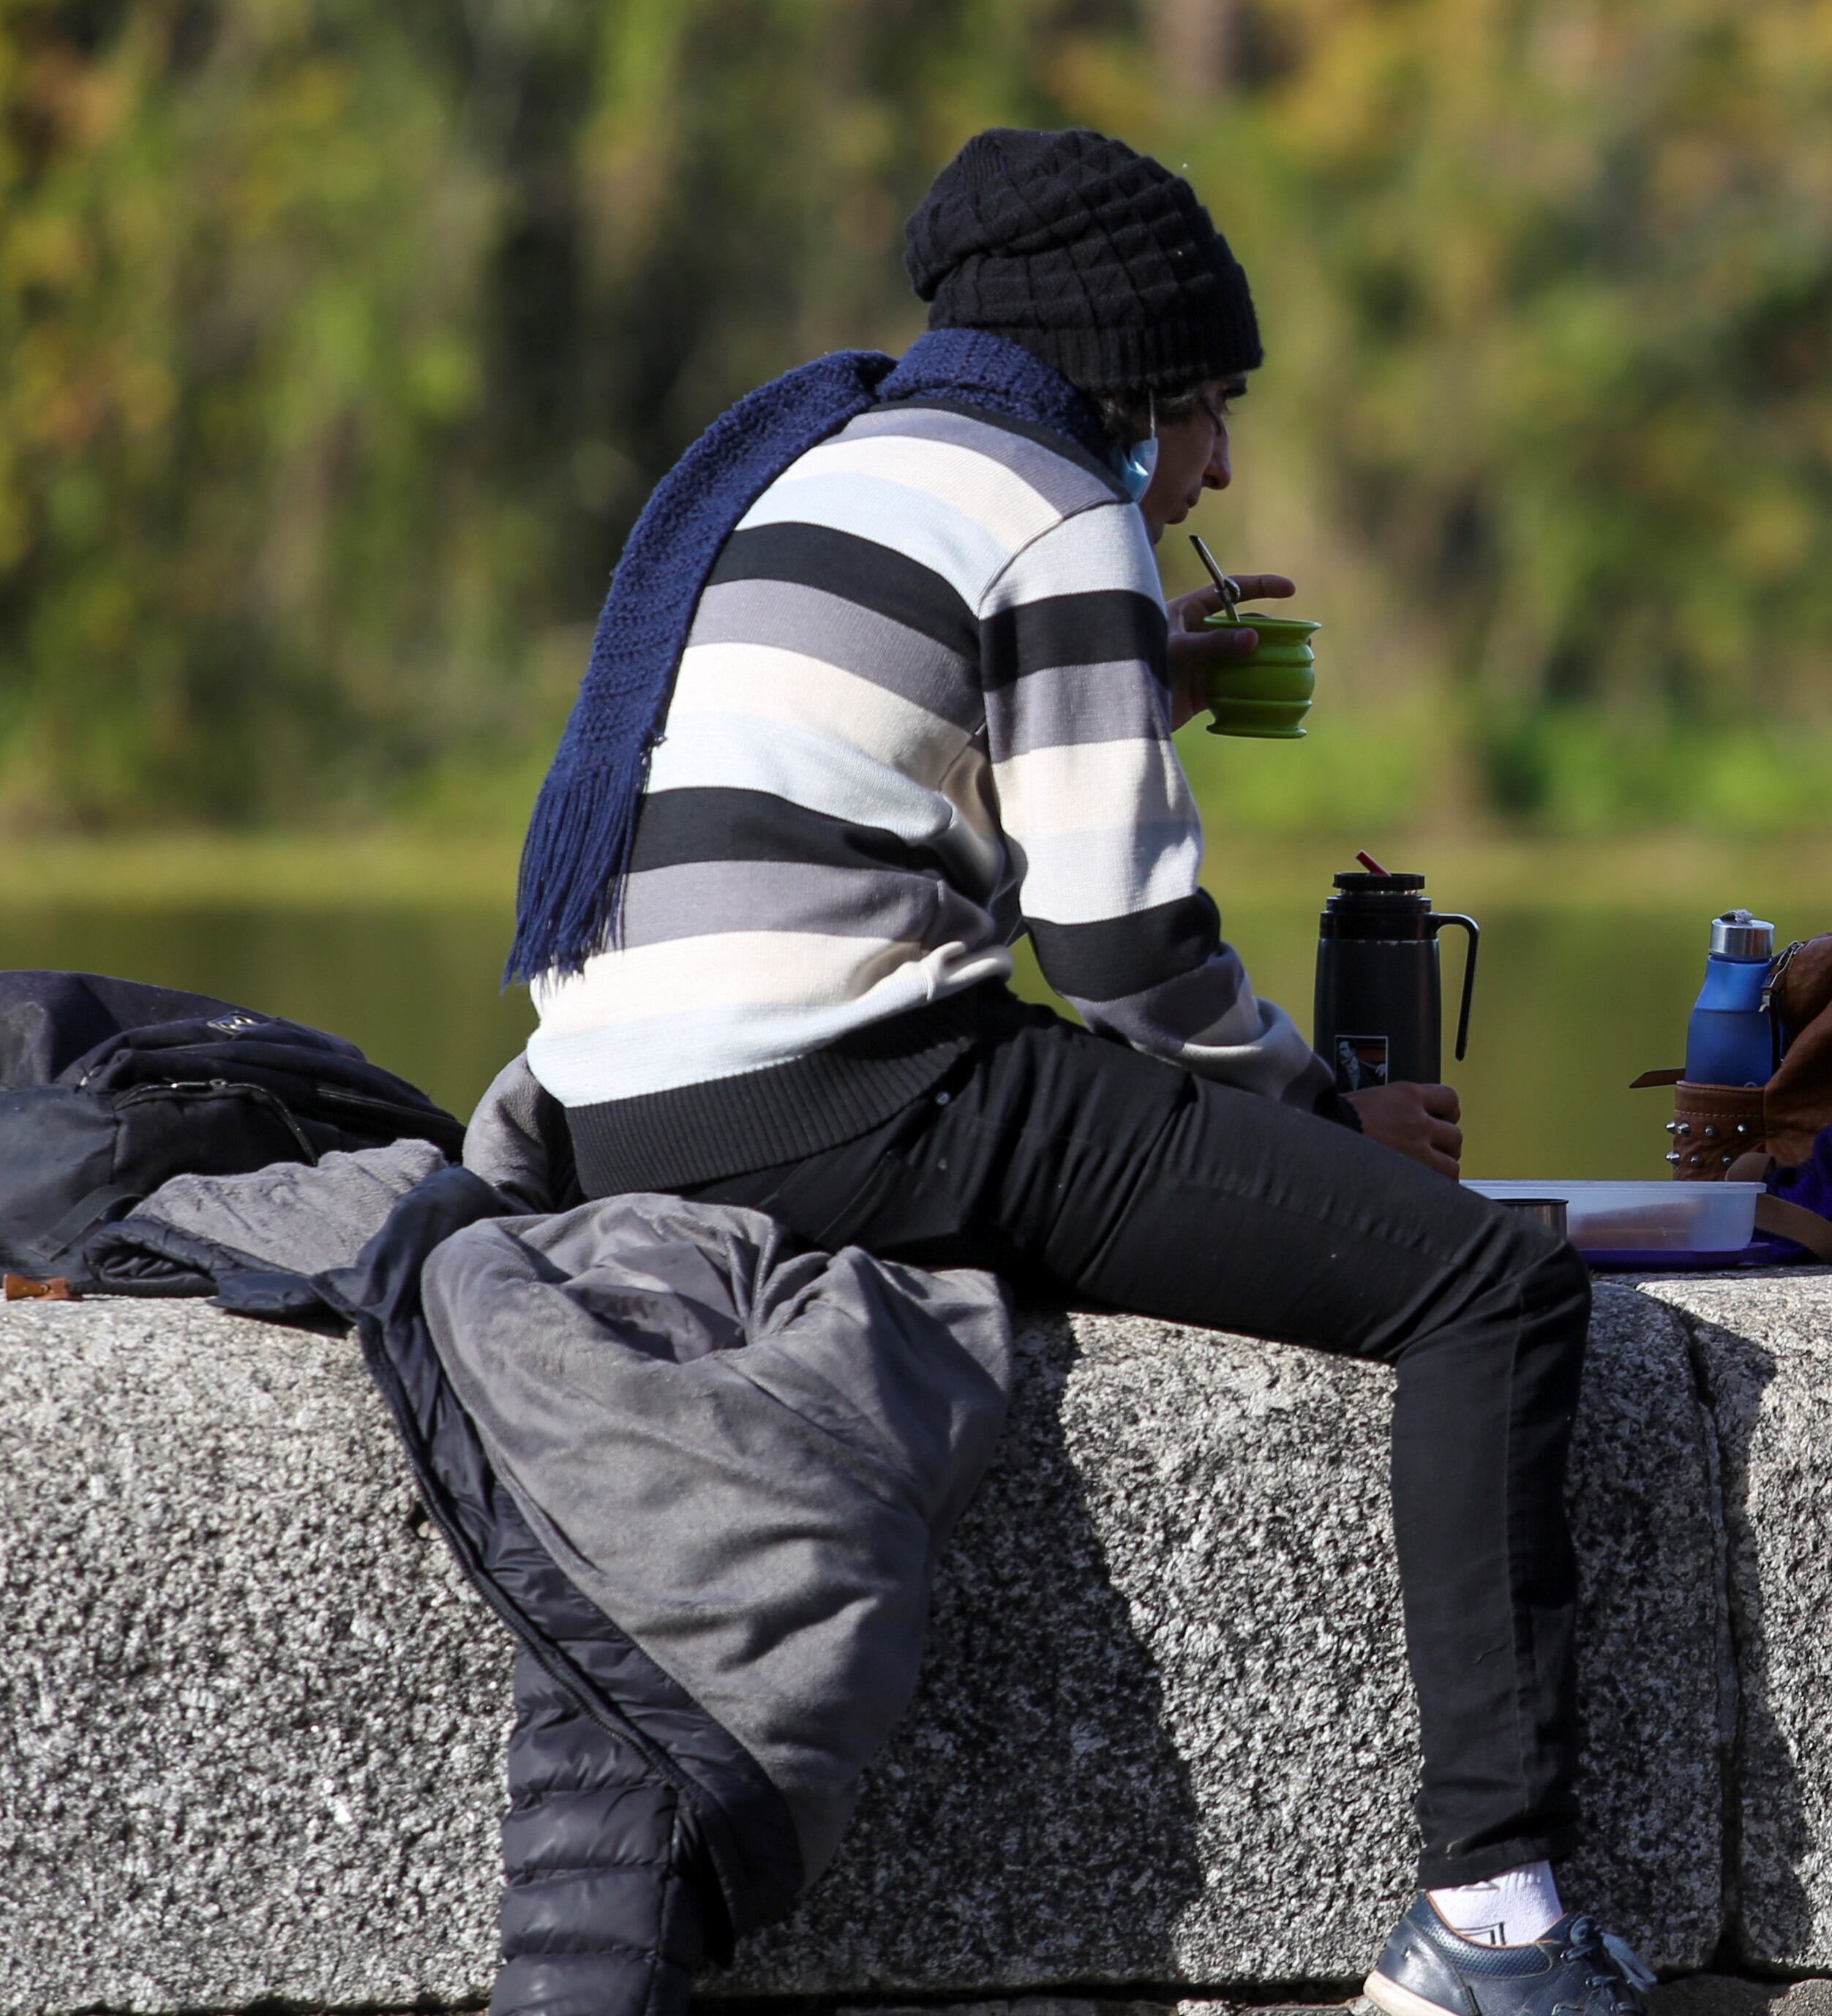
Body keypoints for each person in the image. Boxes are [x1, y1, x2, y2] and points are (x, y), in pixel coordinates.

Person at [505, 127, 1651, 2016]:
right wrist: (1312, 1115)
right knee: (1488, 1283)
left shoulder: (832, 457)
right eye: (1213, 409)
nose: (1220, 465)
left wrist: (1135, 679)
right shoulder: (1056, 505)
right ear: (1136, 386)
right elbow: (1122, 955)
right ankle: (1496, 1915)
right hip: (849, 1082)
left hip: (623, 1100)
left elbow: (880, 749)